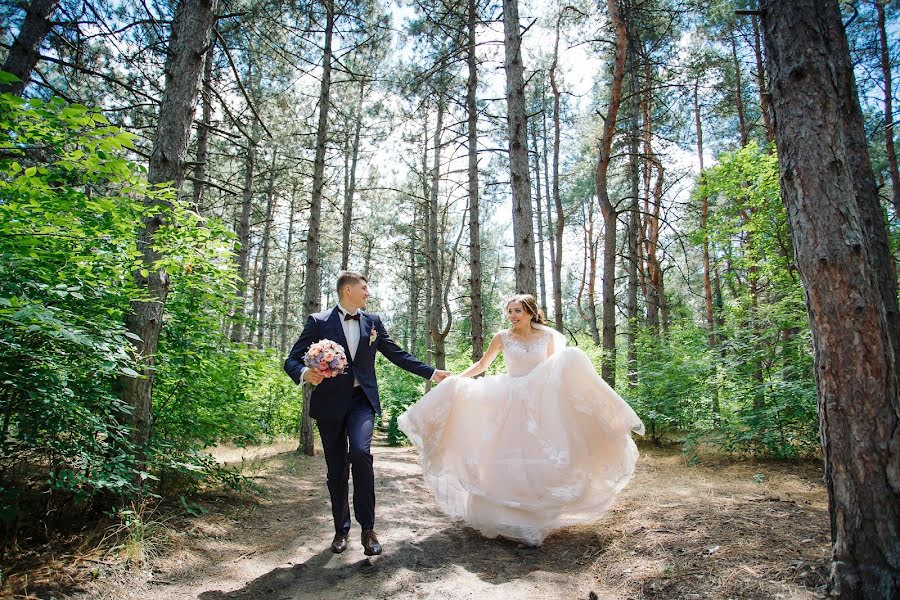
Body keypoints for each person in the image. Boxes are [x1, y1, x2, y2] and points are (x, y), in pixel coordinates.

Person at [398, 293, 644, 547]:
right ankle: (508, 518)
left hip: (538, 401)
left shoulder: (548, 337)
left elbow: (554, 371)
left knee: (542, 452)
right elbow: (483, 364)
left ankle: (537, 520)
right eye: (510, 311)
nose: (512, 316)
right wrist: (456, 379)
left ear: (529, 312)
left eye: (517, 311)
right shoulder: (502, 338)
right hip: (508, 398)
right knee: (505, 453)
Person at [284, 271, 451, 556]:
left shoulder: (372, 322)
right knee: (336, 470)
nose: (367, 293)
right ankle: (341, 530)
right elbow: (291, 358)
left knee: (360, 455)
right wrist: (305, 373)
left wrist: (432, 373)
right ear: (348, 290)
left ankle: (369, 529)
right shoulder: (318, 321)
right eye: (364, 288)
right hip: (329, 404)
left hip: (362, 401)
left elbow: (396, 353)